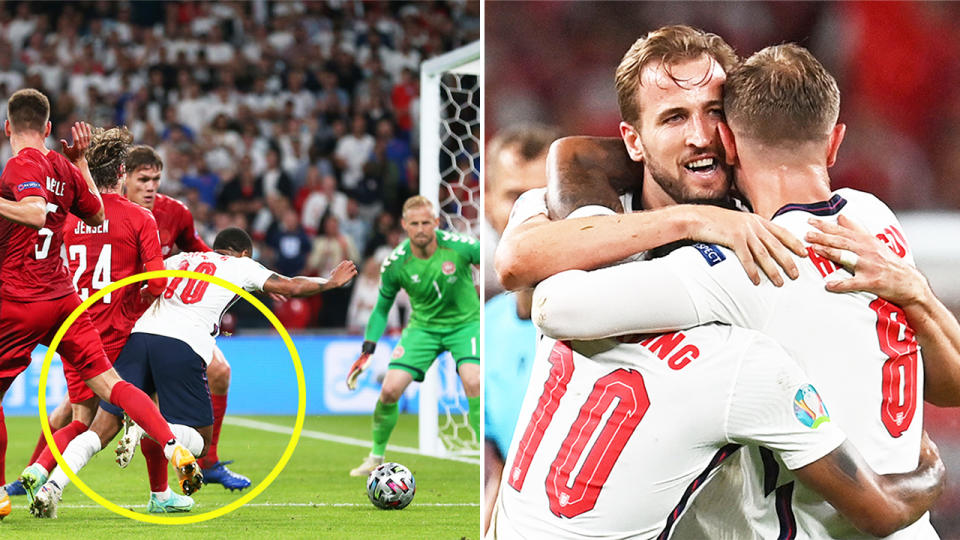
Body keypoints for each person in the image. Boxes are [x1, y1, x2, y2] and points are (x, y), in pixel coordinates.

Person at [531, 43, 960, 538]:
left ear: (728, 145)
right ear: (834, 142)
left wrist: (536, 216)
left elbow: (553, 307)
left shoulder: (749, 265)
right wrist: (919, 295)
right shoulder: (874, 221)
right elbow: (949, 387)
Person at [30, 227, 358, 517]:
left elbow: (146, 288)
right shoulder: (241, 265)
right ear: (245, 253)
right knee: (200, 440)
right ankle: (147, 429)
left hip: (139, 339)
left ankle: (52, 489)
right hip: (181, 347)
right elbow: (291, 287)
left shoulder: (180, 259)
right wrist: (330, 283)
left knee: (99, 430)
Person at [0, 88, 198, 518]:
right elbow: (99, 217)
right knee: (106, 395)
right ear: (50, 128)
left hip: (24, 297)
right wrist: (80, 163)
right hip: (69, 306)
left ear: (8, 127)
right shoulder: (63, 167)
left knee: (80, 415)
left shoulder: (24, 165)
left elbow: (35, 213)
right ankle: (170, 447)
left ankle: (13, 486)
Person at [122, 145, 251, 491]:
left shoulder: (175, 213)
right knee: (78, 411)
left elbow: (200, 253)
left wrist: (241, 276)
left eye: (156, 179)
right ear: (124, 179)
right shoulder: (107, 210)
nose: (151, 186)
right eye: (143, 179)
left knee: (220, 372)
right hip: (120, 317)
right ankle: (35, 474)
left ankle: (206, 464)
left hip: (167, 312)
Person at [346, 195, 480, 477]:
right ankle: (375, 456)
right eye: (415, 223)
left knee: (473, 380)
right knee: (389, 390)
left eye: (426, 222)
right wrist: (368, 349)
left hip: (465, 325)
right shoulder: (396, 263)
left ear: (436, 222)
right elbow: (382, 309)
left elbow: (497, 264)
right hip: (423, 329)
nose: (421, 229)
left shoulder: (461, 247)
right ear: (405, 225)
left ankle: (485, 457)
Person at [481, 124, 557, 531]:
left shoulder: (607, 309)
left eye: (545, 195)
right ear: (488, 203)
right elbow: (508, 471)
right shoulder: (487, 330)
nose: (530, 212)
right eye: (514, 197)